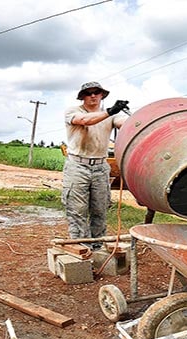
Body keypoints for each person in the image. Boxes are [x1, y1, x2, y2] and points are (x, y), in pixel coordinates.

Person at [62, 81, 129, 249]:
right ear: (82, 96)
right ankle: (80, 248)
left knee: (100, 210)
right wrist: (110, 111)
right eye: (88, 93)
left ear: (102, 95)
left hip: (100, 167)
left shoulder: (111, 116)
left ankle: (98, 247)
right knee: (77, 211)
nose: (93, 95)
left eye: (96, 92)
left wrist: (138, 121)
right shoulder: (73, 112)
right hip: (77, 166)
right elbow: (85, 120)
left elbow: (125, 123)